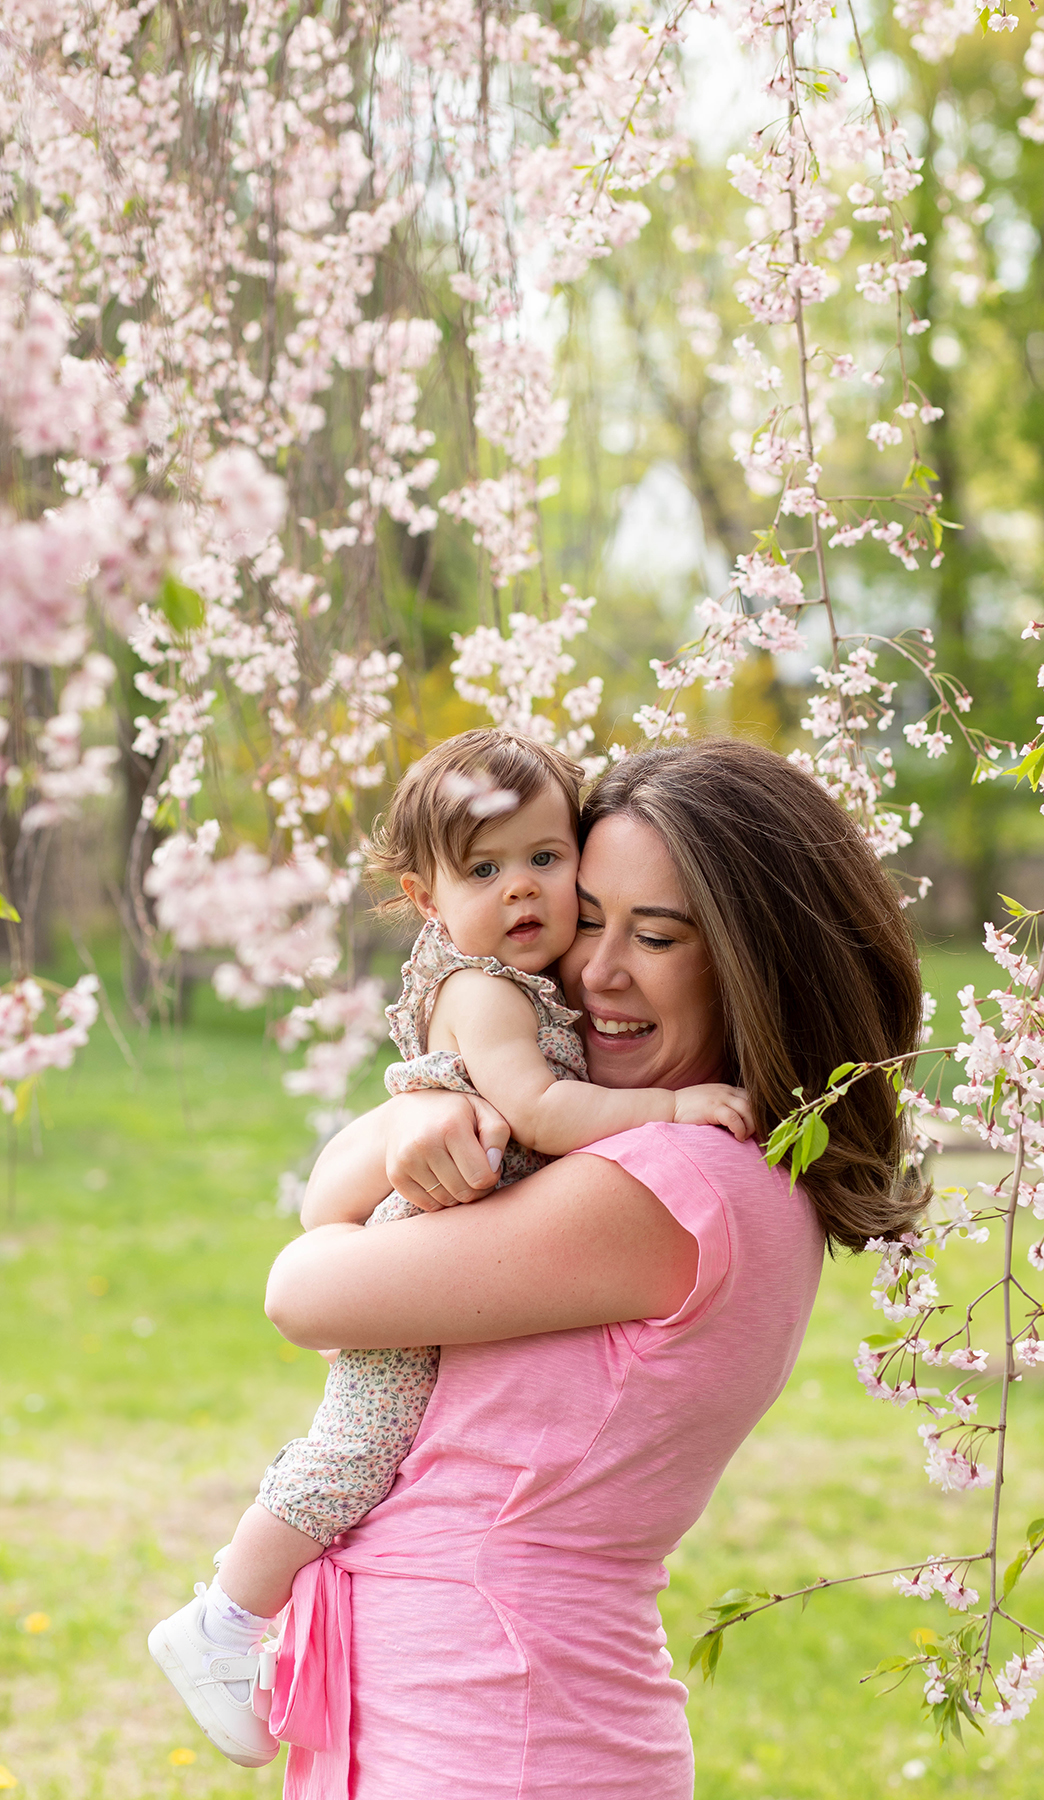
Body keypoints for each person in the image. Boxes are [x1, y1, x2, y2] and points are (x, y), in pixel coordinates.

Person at [260, 737, 926, 1798]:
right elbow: (328, 1201)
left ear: (759, 963)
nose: (595, 972)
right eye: (585, 918)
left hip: (496, 1731)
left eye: (655, 936)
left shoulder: (676, 1181)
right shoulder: (672, 1157)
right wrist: (429, 1105)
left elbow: (303, 1288)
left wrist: (429, 1113)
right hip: (457, 1703)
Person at [147, 731, 752, 1767]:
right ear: (427, 898)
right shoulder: (487, 991)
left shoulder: (547, 1003)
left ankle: (233, 1617)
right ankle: (226, 1618)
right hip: (435, 1227)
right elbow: (537, 1112)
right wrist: (670, 1105)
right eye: (484, 870)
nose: (523, 890)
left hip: (491, 1692)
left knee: (361, 1442)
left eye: (546, 861)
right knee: (355, 1446)